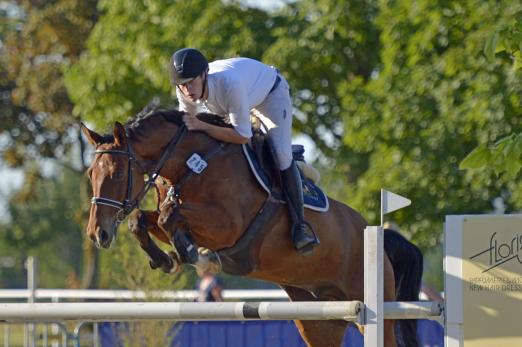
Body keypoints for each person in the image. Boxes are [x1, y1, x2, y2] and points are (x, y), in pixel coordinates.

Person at [168, 48, 319, 255]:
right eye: (182, 85)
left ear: (204, 74)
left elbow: (242, 136)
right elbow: (187, 130)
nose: (187, 90)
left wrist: (203, 127)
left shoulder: (227, 83)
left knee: (281, 155)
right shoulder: (185, 90)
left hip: (269, 96)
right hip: (236, 102)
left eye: (191, 82)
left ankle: (300, 227)